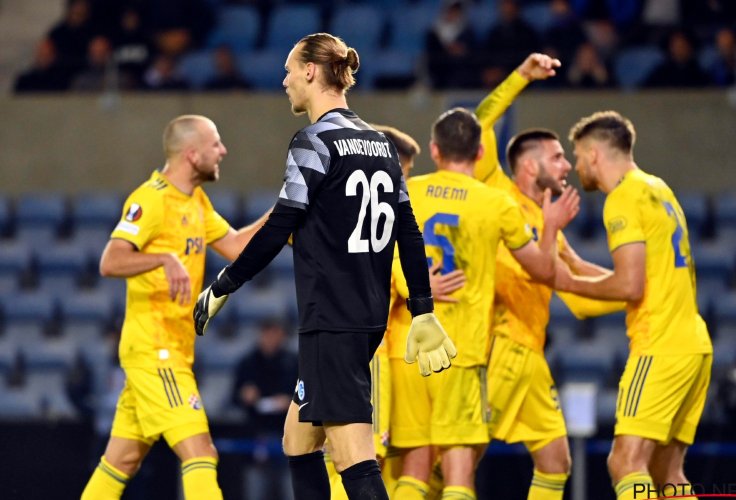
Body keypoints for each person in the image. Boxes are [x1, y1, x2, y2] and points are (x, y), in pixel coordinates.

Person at [193, 33, 457, 500]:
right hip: (364, 316)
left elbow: (279, 227)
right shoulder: (381, 145)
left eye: (290, 70)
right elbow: (409, 234)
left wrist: (223, 285)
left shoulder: (313, 142)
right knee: (298, 439)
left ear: (312, 71)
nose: (285, 80)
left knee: (354, 453)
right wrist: (422, 308)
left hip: (331, 320)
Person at [389, 108, 579, 500]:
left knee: (415, 466)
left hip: (407, 347)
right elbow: (544, 270)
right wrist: (551, 227)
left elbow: (377, 256)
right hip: (459, 352)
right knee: (458, 472)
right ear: (479, 153)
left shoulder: (407, 190)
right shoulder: (497, 204)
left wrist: (413, 287)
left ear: (434, 150)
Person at [80, 114, 272, 500]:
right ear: (191, 153)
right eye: (215, 144)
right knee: (201, 451)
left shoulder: (195, 200)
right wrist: (164, 259)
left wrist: (282, 212)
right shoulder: (150, 199)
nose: (223, 150)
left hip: (169, 352)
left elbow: (235, 245)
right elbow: (110, 261)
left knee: (121, 461)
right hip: (156, 352)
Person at [472, 53, 626, 500]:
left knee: (556, 462)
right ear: (527, 166)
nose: (566, 166)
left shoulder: (548, 225)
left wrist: (641, 289)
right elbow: (479, 122)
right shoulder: (496, 191)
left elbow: (577, 283)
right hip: (497, 349)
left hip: (531, 356)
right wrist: (520, 76)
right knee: (458, 456)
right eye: (557, 157)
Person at [559, 111, 713, 500]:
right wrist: (577, 265)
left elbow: (629, 284)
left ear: (594, 155)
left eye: (577, 156)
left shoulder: (622, 198)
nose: (576, 166)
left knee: (625, 462)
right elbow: (647, 276)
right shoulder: (657, 188)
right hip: (691, 343)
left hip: (659, 345)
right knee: (666, 472)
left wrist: (565, 280)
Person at [326, 124, 467, 500]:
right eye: (402, 174)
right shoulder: (379, 218)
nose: (403, 184)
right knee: (361, 459)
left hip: (324, 343)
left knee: (337, 455)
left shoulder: (331, 200)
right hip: (367, 350)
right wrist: (420, 290)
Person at [233, 319, 297, 500]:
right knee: (257, 488)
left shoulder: (293, 361)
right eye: (267, 334)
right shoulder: (247, 362)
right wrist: (244, 395)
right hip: (257, 433)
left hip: (287, 432)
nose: (271, 338)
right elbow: (234, 397)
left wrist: (292, 401)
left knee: (290, 488)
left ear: (282, 336)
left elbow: (307, 393)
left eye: (275, 334)